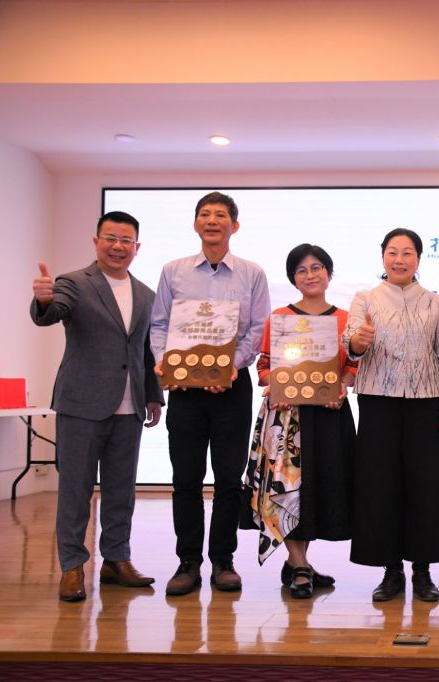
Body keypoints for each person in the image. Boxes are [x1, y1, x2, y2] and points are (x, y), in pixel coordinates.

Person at [30, 210, 163, 601]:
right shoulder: (74, 282)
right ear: (96, 241)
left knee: (121, 490)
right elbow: (53, 312)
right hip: (81, 403)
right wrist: (43, 301)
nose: (118, 247)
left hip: (130, 407)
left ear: (137, 247)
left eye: (126, 241)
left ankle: (116, 560)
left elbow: (145, 349)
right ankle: (72, 566)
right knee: (76, 489)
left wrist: (153, 394)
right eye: (111, 238)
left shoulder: (146, 294)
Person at [150, 191, 271, 596]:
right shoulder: (173, 271)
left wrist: (230, 367)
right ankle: (187, 562)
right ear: (195, 223)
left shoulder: (252, 274)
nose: (212, 220)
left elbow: (258, 330)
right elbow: (160, 325)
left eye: (221, 215)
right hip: (185, 390)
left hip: (231, 387)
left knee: (228, 480)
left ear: (234, 226)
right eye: (205, 214)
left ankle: (223, 560)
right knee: (185, 478)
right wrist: (165, 363)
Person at [343, 228, 439, 602]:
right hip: (378, 403)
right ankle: (391, 571)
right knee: (380, 487)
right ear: (383, 257)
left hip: (427, 404)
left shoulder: (435, 303)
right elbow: (351, 344)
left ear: (418, 259)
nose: (399, 259)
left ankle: (422, 571)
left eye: (407, 252)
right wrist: (358, 342)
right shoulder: (365, 298)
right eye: (392, 252)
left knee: (428, 487)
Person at [244, 244, 357, 599]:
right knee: (287, 489)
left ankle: (297, 563)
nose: (310, 275)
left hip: (330, 414)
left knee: (316, 489)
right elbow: (264, 367)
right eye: (302, 270)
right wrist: (276, 385)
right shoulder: (279, 318)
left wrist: (343, 385)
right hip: (287, 415)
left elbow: (353, 366)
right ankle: (300, 564)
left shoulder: (346, 319)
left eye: (317, 267)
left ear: (329, 274)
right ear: (293, 278)